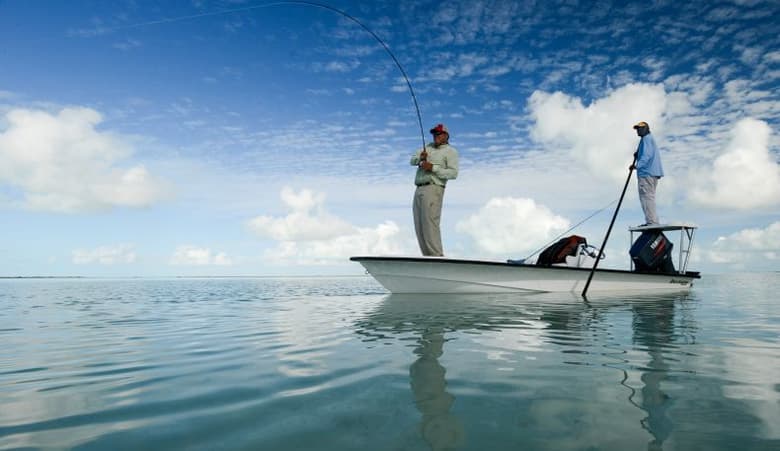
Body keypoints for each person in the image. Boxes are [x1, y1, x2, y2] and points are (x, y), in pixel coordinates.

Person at [410, 123, 459, 256]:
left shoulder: (451, 152)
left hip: (434, 188)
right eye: (434, 134)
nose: (435, 136)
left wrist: (433, 168)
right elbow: (412, 160)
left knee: (430, 223)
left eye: (438, 134)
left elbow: (453, 173)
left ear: (446, 136)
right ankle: (427, 257)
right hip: (419, 188)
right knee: (419, 224)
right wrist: (420, 160)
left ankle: (437, 256)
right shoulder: (427, 148)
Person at [631, 121, 664, 225]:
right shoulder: (646, 140)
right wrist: (638, 153)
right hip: (651, 173)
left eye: (640, 128)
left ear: (646, 129)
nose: (638, 130)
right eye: (637, 129)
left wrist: (637, 166)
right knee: (649, 197)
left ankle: (652, 222)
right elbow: (645, 153)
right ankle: (652, 221)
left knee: (646, 197)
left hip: (646, 173)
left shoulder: (646, 139)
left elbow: (647, 155)